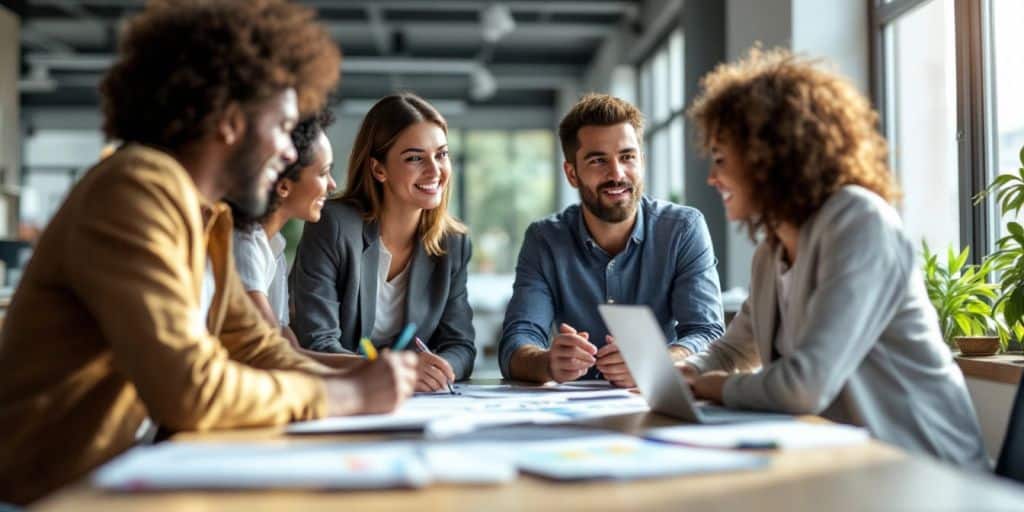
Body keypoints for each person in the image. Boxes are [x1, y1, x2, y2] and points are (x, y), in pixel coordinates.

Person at [0, 1, 418, 505]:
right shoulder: (135, 188)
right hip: (45, 494)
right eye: (283, 128)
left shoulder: (211, 216)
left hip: (119, 476)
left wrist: (368, 377)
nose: (290, 152)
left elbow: (254, 348)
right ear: (229, 120)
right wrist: (347, 396)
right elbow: (189, 387)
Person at [681, 48, 987, 466]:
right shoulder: (771, 251)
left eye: (720, 157)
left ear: (771, 153)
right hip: (845, 463)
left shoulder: (860, 221)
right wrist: (687, 372)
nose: (712, 177)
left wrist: (713, 387)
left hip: (924, 467)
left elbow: (805, 385)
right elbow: (734, 352)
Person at [498, 93, 725, 387]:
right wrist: (546, 362)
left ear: (641, 161)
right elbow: (517, 342)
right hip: (573, 412)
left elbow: (708, 334)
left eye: (627, 157)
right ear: (572, 174)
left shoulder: (682, 229)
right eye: (597, 160)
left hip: (654, 403)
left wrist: (655, 363)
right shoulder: (545, 239)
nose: (616, 174)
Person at [290, 93, 476, 392]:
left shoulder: (453, 244)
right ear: (379, 169)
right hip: (339, 394)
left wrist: (439, 369)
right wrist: (396, 371)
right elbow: (317, 342)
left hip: (414, 403)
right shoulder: (333, 225)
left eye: (441, 154)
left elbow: (460, 346)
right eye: (415, 158)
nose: (435, 170)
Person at [229, 108, 364, 368]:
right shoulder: (243, 244)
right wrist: (370, 367)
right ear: (283, 186)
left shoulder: (272, 245)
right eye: (323, 173)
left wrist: (371, 365)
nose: (333, 185)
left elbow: (288, 346)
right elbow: (274, 354)